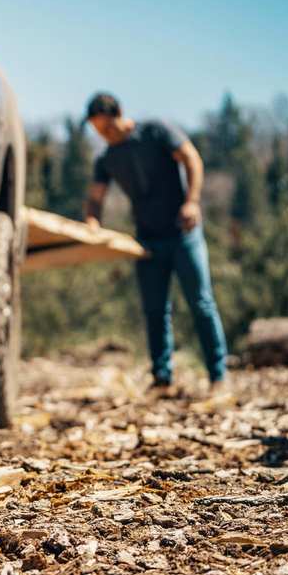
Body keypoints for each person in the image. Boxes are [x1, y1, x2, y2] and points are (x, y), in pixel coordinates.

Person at [83, 92, 228, 390]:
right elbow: (96, 197)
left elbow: (192, 159)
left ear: (120, 114)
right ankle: (162, 379)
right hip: (147, 241)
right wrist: (93, 222)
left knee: (201, 303)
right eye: (98, 131)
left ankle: (218, 376)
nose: (105, 135)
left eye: (107, 128)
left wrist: (192, 202)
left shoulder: (156, 131)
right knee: (155, 310)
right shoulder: (107, 159)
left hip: (183, 233)